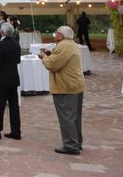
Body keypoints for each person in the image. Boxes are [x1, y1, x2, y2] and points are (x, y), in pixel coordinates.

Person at [40, 26, 85, 155]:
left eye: (56, 34)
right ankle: (77, 141)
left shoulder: (63, 46)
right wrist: (50, 55)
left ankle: (71, 144)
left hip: (66, 86)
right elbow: (59, 59)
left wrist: (44, 57)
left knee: (67, 117)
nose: (54, 36)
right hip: (75, 84)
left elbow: (52, 65)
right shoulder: (71, 44)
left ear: (60, 35)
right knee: (74, 116)